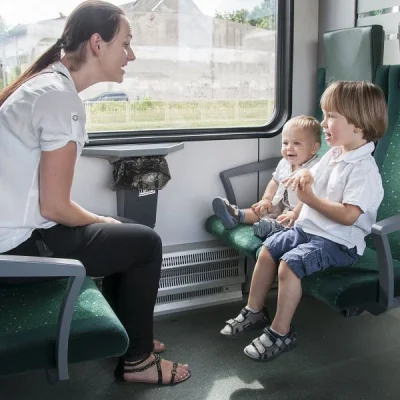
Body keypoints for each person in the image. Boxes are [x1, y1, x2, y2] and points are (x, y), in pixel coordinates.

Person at [0, 0, 190, 385]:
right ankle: (138, 363)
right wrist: (97, 219)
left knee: (126, 228)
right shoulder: (59, 99)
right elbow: (54, 206)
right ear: (98, 43)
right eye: (126, 43)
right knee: (145, 243)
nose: (131, 55)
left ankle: (130, 335)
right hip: (17, 251)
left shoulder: (48, 86)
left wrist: (102, 221)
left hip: (18, 235)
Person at [219, 81, 387, 362]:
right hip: (310, 229)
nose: (324, 123)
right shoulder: (335, 154)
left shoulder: (363, 170)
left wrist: (308, 201)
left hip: (339, 242)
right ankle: (255, 310)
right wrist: (304, 179)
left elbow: (348, 215)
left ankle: (281, 332)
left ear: (358, 125)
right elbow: (313, 175)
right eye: (324, 115)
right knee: (268, 250)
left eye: (331, 117)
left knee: (289, 265)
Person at [212, 115, 321, 239]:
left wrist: (295, 213)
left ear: (314, 148)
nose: (289, 148)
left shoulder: (315, 167)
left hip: (301, 210)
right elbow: (274, 181)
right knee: (263, 209)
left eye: (296, 143)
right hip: (281, 202)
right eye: (285, 143)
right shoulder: (284, 163)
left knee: (289, 221)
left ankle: (271, 227)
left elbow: (311, 196)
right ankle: (237, 215)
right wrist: (266, 199)